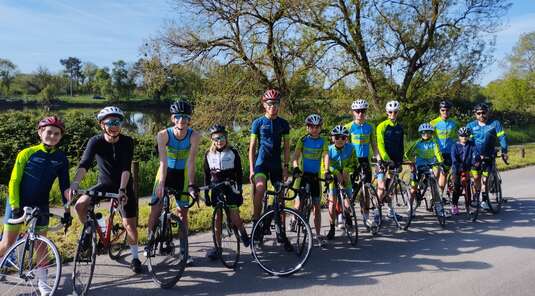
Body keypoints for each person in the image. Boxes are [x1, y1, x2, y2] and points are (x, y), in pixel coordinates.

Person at [0, 116, 71, 296]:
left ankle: (44, 284)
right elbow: (14, 181)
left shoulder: (61, 159)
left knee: (41, 246)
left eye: (57, 134)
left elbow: (65, 187)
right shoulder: (27, 153)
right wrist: (15, 205)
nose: (52, 136)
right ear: (40, 132)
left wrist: (67, 210)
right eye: (48, 132)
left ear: (60, 137)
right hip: (18, 202)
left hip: (41, 205)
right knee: (7, 242)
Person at [68, 106, 142, 273]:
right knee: (80, 205)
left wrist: (122, 189)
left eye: (117, 122)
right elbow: (85, 164)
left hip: (124, 185)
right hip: (104, 184)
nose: (114, 126)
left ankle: (136, 257)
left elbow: (125, 168)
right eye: (110, 122)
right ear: (102, 125)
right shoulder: (95, 141)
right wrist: (75, 184)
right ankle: (90, 229)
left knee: (129, 225)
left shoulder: (127, 141)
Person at [147, 100, 201, 265]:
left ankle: (184, 251)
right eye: (178, 117)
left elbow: (191, 162)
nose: (181, 120)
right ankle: (149, 242)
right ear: (172, 118)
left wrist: (192, 185)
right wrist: (162, 184)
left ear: (189, 119)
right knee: (155, 209)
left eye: (185, 117)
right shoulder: (163, 135)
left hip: (182, 175)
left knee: (182, 213)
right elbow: (163, 162)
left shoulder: (195, 136)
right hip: (165, 173)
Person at [203, 124, 250, 259]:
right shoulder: (208, 154)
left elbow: (239, 173)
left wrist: (239, 190)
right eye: (216, 138)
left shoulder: (233, 152)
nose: (219, 140)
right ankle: (218, 247)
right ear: (212, 140)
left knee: (234, 215)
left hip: (230, 186)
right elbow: (206, 175)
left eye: (222, 137)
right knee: (218, 218)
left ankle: (243, 233)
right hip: (216, 187)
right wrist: (206, 194)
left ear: (226, 137)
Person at [249, 89, 291, 223]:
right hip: (261, 163)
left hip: (276, 164)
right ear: (264, 105)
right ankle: (256, 220)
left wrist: (285, 167)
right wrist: (251, 169)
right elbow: (252, 147)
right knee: (260, 189)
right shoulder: (258, 123)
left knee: (280, 194)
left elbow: (287, 147)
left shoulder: (284, 124)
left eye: (276, 104)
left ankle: (279, 224)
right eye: (270, 103)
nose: (273, 107)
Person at [291, 114, 330, 247]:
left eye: (317, 127)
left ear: (320, 127)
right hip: (302, 176)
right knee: (298, 203)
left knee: (316, 206)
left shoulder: (323, 140)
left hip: (315, 177)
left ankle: (318, 235)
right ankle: (294, 217)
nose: (314, 129)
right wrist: (295, 167)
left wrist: (327, 171)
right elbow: (295, 157)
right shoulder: (302, 140)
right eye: (312, 127)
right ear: (307, 127)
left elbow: (325, 156)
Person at [344, 99, 380, 229]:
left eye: (363, 111)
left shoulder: (370, 126)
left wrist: (378, 159)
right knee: (351, 190)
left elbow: (374, 145)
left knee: (366, 190)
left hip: (365, 160)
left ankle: (366, 217)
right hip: (352, 161)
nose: (360, 113)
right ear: (353, 112)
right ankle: (346, 213)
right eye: (357, 111)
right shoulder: (348, 127)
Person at [466, 103, 508, 209]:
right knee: (476, 178)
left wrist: (504, 151)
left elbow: (502, 137)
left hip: (489, 155)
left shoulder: (495, 124)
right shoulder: (470, 126)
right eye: (478, 113)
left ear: (487, 113)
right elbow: (466, 141)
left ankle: (484, 200)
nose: (481, 115)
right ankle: (476, 197)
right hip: (475, 156)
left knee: (485, 178)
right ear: (475, 114)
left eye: (483, 113)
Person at [406, 123, 445, 216]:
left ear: (431, 133)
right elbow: (408, 154)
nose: (426, 134)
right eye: (423, 133)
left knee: (435, 186)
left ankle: (438, 207)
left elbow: (438, 153)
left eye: (428, 132)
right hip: (420, 166)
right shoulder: (418, 143)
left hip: (431, 165)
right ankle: (411, 207)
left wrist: (441, 162)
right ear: (420, 133)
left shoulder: (434, 142)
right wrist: (411, 162)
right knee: (413, 188)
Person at [375, 100, 404, 222]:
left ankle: (390, 212)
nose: (393, 114)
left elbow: (401, 145)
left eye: (395, 112)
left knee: (391, 187)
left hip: (396, 160)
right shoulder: (382, 126)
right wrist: (386, 159)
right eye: (390, 112)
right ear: (387, 112)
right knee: (381, 187)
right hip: (383, 160)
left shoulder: (400, 127)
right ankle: (376, 212)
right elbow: (380, 145)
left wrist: (401, 160)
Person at [326, 125, 356, 240]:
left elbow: (354, 164)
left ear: (346, 139)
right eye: (337, 137)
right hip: (333, 178)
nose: (339, 140)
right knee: (332, 203)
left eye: (343, 137)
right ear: (333, 138)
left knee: (348, 200)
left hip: (346, 177)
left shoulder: (351, 148)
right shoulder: (328, 149)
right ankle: (332, 228)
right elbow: (325, 166)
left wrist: (346, 170)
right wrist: (335, 172)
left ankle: (348, 217)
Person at [430, 100, 459, 199]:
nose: (445, 112)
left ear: (450, 111)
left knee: (444, 175)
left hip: (449, 153)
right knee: (435, 174)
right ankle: (432, 196)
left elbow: (458, 138)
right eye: (443, 110)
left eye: (447, 110)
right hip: (436, 153)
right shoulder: (433, 123)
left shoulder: (454, 123)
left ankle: (440, 197)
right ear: (439, 110)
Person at [450, 127, 480, 215]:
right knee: (457, 187)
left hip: (467, 168)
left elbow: (475, 154)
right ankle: (454, 204)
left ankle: (468, 205)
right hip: (457, 168)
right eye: (462, 136)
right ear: (459, 136)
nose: (464, 137)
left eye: (466, 136)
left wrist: (476, 161)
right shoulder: (455, 146)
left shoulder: (471, 144)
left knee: (467, 186)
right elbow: (454, 158)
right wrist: (457, 165)